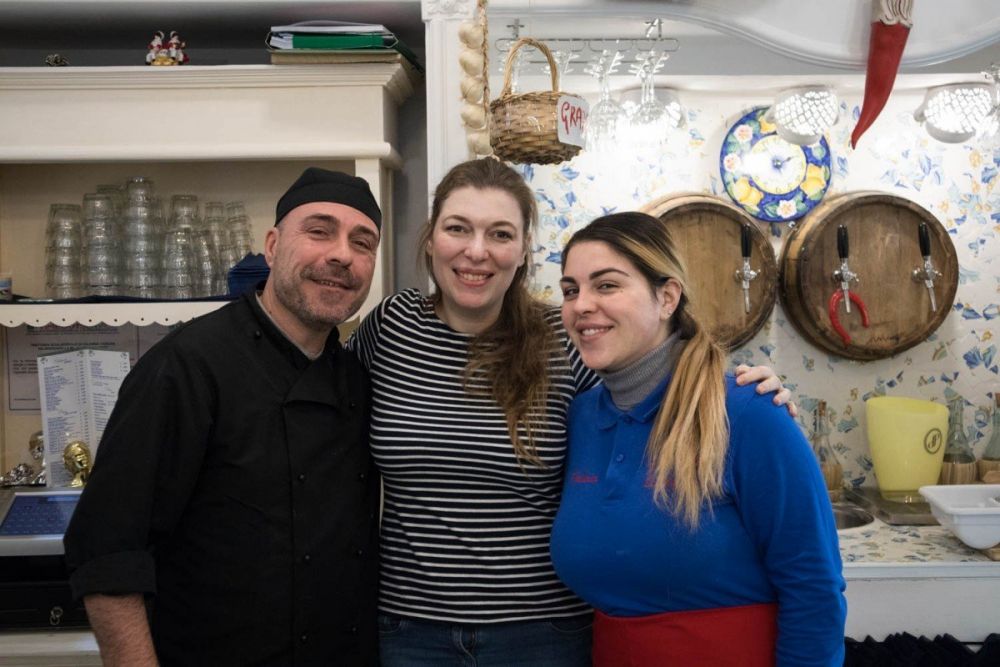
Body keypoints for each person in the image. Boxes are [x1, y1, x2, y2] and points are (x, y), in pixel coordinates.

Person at [347, 158, 795, 666]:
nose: (477, 251)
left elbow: (655, 393)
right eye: (457, 229)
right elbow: (324, 406)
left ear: (522, 252)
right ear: (431, 240)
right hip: (409, 630)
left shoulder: (564, 337)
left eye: (500, 234)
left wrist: (745, 389)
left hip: (543, 632)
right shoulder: (390, 327)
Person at [63, 167, 384, 666]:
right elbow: (109, 555)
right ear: (273, 246)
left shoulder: (356, 379)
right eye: (319, 231)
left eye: (362, 242)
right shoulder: (186, 367)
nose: (342, 254)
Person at [550, 211, 846, 667]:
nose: (581, 305)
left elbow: (813, 587)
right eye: (571, 290)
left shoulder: (748, 413)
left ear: (667, 297)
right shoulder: (580, 418)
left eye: (606, 285)